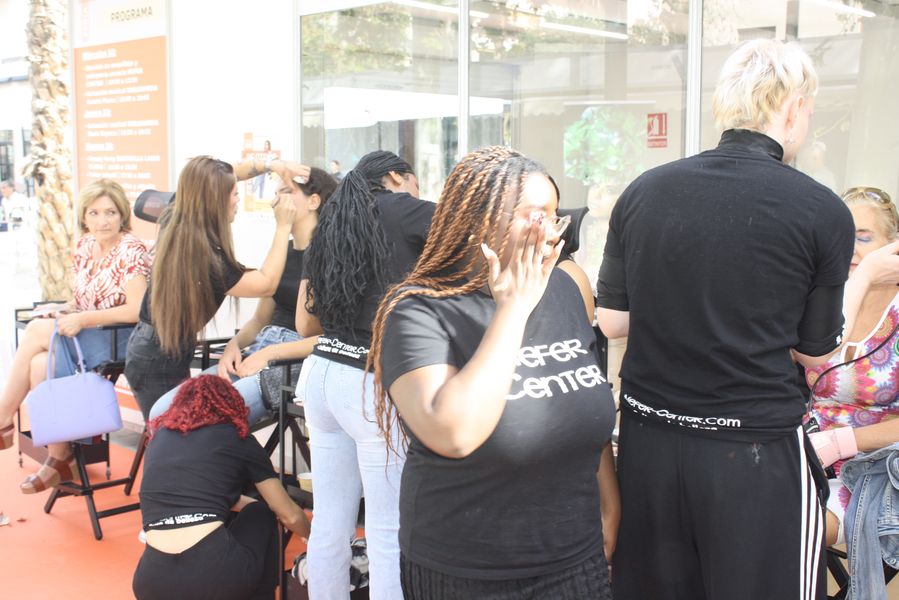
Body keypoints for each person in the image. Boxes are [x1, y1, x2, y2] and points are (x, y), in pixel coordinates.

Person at [595, 39, 855, 600]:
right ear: (794, 108)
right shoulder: (820, 209)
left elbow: (612, 320)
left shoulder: (643, 192)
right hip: (753, 452)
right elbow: (815, 350)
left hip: (649, 442)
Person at [369, 146, 618, 599]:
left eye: (554, 216)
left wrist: (609, 510)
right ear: (479, 222)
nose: (550, 230)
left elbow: (587, 405)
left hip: (574, 558)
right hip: (467, 572)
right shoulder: (418, 310)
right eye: (534, 215)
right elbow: (453, 433)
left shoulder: (564, 289)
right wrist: (513, 309)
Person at [295, 150, 433, 599]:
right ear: (396, 176)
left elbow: (305, 322)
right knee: (388, 529)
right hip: (370, 383)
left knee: (329, 522)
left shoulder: (331, 221)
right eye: (415, 183)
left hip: (323, 374)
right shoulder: (403, 208)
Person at [147, 167, 338, 423]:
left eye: (286, 191)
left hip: (294, 363)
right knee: (161, 412)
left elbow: (333, 339)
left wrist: (270, 354)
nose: (276, 201)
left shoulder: (331, 257)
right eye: (276, 193)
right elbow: (259, 320)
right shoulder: (284, 251)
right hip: (259, 349)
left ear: (313, 201)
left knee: (201, 420)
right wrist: (233, 346)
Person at [0, 179, 150, 493]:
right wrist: (64, 309)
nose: (102, 220)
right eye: (94, 213)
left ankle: (3, 419)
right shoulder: (85, 245)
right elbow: (86, 298)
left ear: (122, 215)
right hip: (88, 331)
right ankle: (59, 457)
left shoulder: (130, 249)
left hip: (120, 336)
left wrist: (82, 319)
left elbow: (137, 309)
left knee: (36, 331)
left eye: (110, 212)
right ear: (84, 216)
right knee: (39, 362)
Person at [133, 375, 309, 600]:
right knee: (261, 513)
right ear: (231, 405)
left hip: (150, 581)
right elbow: (289, 516)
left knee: (251, 509)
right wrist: (316, 540)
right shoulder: (236, 437)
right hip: (213, 575)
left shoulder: (158, 440)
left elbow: (203, 498)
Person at [805, 187, 899, 547]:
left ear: (893, 245)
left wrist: (842, 441)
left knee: (791, 530)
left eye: (864, 237)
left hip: (875, 468)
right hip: (806, 454)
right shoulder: (823, 302)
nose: (851, 248)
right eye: (842, 237)